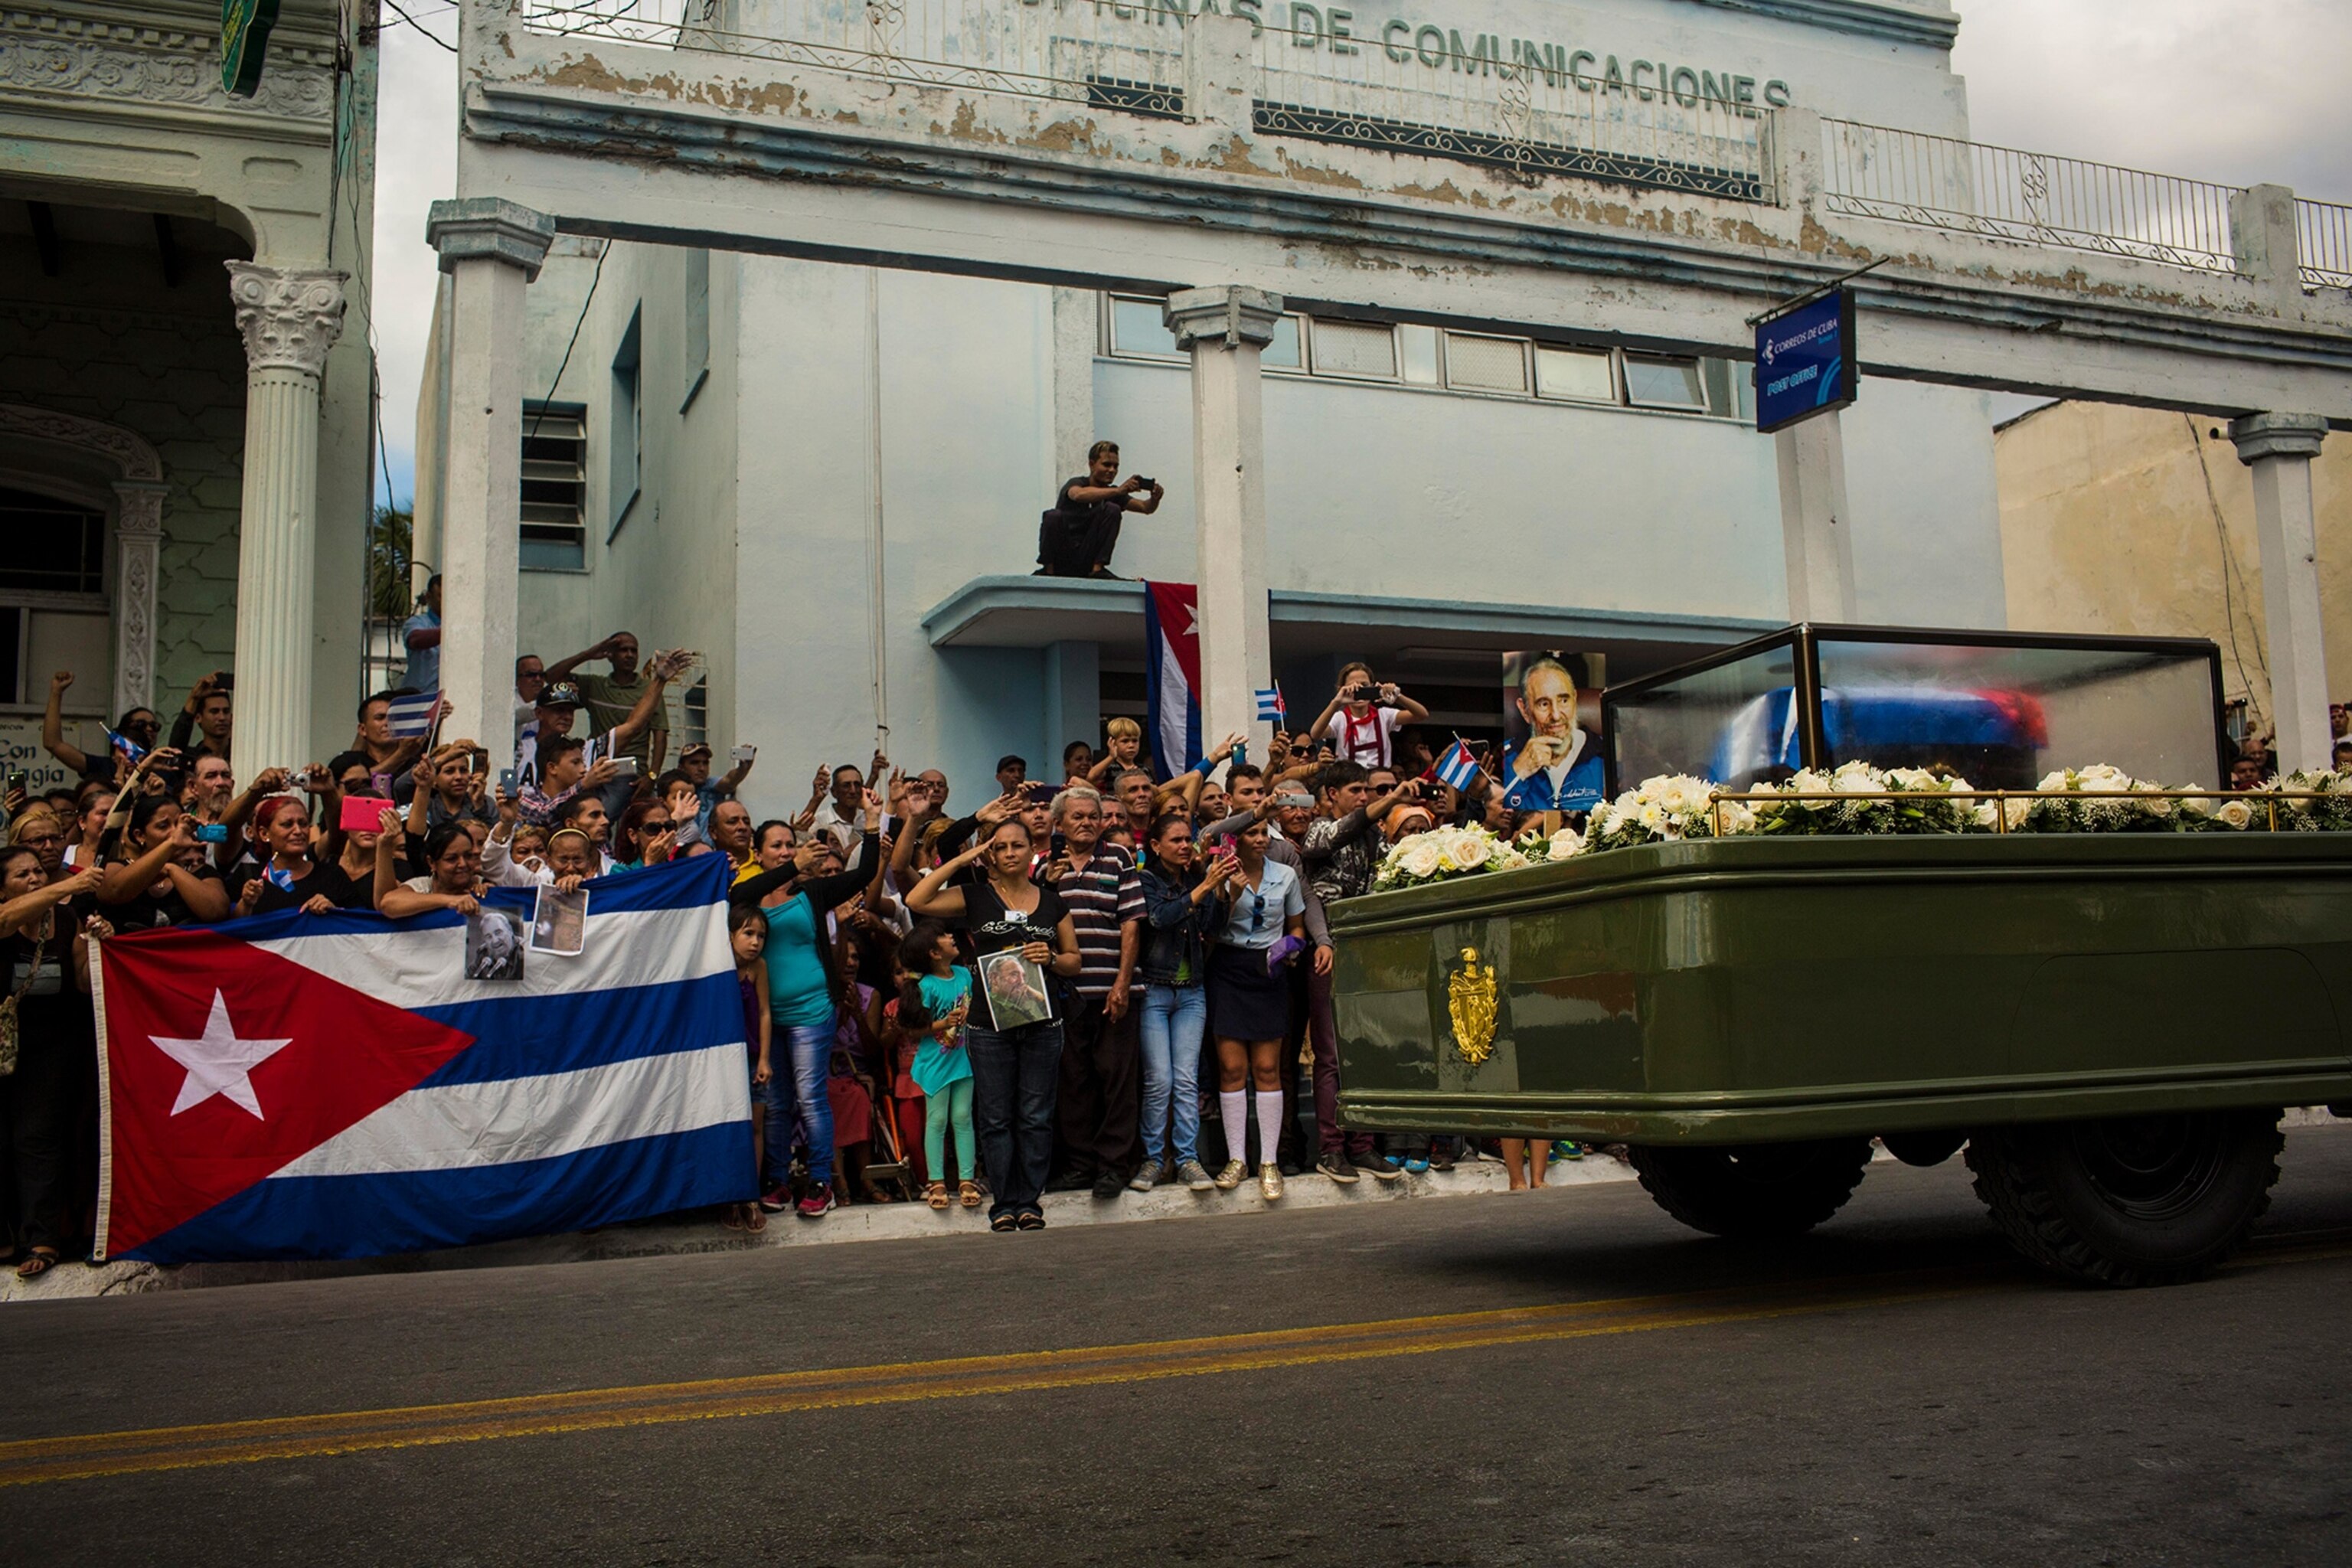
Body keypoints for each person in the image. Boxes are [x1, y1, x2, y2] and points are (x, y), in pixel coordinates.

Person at [906, 817, 1083, 1232]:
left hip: (1042, 1023)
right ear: (991, 854)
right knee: (996, 1118)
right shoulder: (975, 897)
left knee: (1035, 1115)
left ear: (1029, 851)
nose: (1009, 853)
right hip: (987, 1026)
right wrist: (965, 856)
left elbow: (1074, 959)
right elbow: (917, 899)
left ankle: (1029, 1203)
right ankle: (1003, 1203)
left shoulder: (1052, 901)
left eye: (1016, 846)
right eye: (999, 847)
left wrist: (1052, 959)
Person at [730, 787, 886, 1220]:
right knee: (776, 1102)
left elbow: (866, 871)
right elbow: (734, 900)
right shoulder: (747, 895)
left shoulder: (811, 893)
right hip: (766, 1017)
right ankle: (778, 1181)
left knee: (810, 1096)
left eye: (789, 844)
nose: (785, 852)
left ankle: (821, 1183)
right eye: (775, 846)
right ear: (758, 854)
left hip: (813, 1011)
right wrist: (790, 869)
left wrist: (872, 821)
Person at [1299, 760, 1420, 1183]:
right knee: (1331, 1057)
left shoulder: (1375, 836)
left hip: (1368, 958)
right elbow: (1336, 835)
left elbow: (1394, 877)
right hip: (1328, 955)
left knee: (1364, 1053)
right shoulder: (1317, 828)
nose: (1364, 797)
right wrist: (1392, 798)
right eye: (1355, 790)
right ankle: (1332, 1150)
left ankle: (1363, 1147)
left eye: (1367, 790)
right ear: (1331, 795)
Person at [0, 851, 106, 1279]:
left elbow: (81, 981)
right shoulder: (9, 918)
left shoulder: (65, 922)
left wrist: (94, 943)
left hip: (51, 1044)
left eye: (38, 871)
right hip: (3, 1039)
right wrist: (64, 888)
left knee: (38, 1138)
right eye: (21, 874)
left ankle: (42, 1236)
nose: (33, 878)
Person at [1041, 786, 1145, 1199]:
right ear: (1059, 823)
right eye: (1077, 817)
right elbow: (1038, 925)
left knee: (1118, 1082)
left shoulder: (1119, 858)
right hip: (1068, 996)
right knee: (1074, 1083)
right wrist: (1046, 885)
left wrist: (1122, 982)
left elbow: (1132, 923)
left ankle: (1112, 1167)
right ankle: (1081, 1165)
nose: (1086, 823)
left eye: (1093, 816)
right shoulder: (1045, 867)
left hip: (1116, 992)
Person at [1203, 819, 1306, 1200]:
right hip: (1228, 968)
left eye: (1265, 832)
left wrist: (1289, 950)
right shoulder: (1222, 872)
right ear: (1237, 838)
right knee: (1232, 1068)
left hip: (1269, 970)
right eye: (1252, 833)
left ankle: (1268, 1161)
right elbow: (1211, 929)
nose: (1261, 839)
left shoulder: (1286, 875)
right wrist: (1229, 892)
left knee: (1267, 1068)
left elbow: (1297, 928)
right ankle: (1236, 1159)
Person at [1135, 811, 1230, 1194]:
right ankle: (1154, 1160)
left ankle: (1188, 1159)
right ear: (1156, 846)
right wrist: (1206, 887)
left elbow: (1211, 926)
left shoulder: (1196, 878)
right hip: (1155, 989)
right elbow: (1159, 918)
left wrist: (1220, 888)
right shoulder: (1146, 879)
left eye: (1187, 839)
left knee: (1187, 1081)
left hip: (1192, 990)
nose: (1184, 846)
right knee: (1160, 1080)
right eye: (1175, 840)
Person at [897, 920, 982, 1211]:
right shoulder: (926, 986)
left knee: (962, 1116)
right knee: (936, 1120)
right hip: (936, 1062)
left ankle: (967, 1179)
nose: (951, 938)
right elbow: (913, 1029)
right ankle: (936, 1181)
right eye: (945, 937)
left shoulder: (963, 975)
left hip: (963, 1059)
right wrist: (943, 1023)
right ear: (933, 953)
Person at [544, 632, 677, 773]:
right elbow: (551, 677)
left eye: (634, 651)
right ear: (610, 655)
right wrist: (588, 654)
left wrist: (652, 775)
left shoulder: (649, 691)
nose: (629, 655)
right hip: (598, 768)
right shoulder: (594, 685)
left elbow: (660, 734)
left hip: (634, 773)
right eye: (623, 650)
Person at [97, 794, 230, 929]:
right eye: (163, 826)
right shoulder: (117, 867)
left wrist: (172, 869)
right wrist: (172, 844)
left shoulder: (202, 872)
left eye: (179, 824)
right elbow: (114, 892)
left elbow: (216, 911)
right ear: (140, 835)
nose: (175, 831)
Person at [1037, 439, 1165, 579]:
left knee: (1112, 509)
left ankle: (1097, 569)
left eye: (1116, 466)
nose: (1112, 470)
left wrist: (1155, 498)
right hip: (1062, 555)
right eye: (1107, 465)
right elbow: (1078, 494)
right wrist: (1119, 490)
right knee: (1052, 516)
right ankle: (1048, 570)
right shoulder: (1077, 483)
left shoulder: (1114, 493)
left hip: (1087, 557)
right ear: (1092, 465)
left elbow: (1145, 508)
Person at [1501, 655, 1606, 813]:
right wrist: (1518, 772)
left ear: (1574, 700)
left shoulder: (1605, 754)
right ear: (1525, 710)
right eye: (1543, 704)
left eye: (1564, 701)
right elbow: (1494, 818)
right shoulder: (1503, 757)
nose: (1556, 715)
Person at [726, 904, 772, 1233]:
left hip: (753, 1057)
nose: (755, 942)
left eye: (760, 936)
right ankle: (730, 1197)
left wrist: (765, 1059)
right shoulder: (718, 965)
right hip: (724, 1060)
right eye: (748, 934)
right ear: (730, 935)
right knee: (730, 1126)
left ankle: (751, 1195)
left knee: (756, 1126)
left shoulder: (759, 968)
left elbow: (765, 1013)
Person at [41, 669, 160, 786]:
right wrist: (56, 692)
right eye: (140, 724)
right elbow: (53, 744)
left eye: (154, 726)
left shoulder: (163, 773)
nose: (149, 729)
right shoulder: (103, 767)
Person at [1308, 662, 1429, 770]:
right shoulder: (1340, 718)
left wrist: (1397, 696)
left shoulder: (1384, 715)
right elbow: (1316, 733)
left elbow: (1421, 714)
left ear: (1372, 686)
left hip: (1380, 782)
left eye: (1364, 686)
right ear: (1342, 689)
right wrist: (1337, 702)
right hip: (1350, 781)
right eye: (1354, 687)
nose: (1359, 691)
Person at [375, 816, 486, 918]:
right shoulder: (422, 887)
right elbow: (388, 903)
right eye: (451, 859)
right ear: (432, 863)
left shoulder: (484, 884)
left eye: (468, 856)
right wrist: (450, 900)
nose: (463, 864)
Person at [168, 671, 235, 764]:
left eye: (226, 711)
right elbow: (175, 750)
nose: (222, 717)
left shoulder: (241, 753)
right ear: (198, 718)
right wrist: (194, 698)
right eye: (214, 712)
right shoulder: (192, 757)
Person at [401, 574, 443, 694]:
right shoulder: (417, 622)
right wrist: (448, 631)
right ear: (429, 597)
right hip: (419, 699)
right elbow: (415, 640)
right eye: (440, 596)